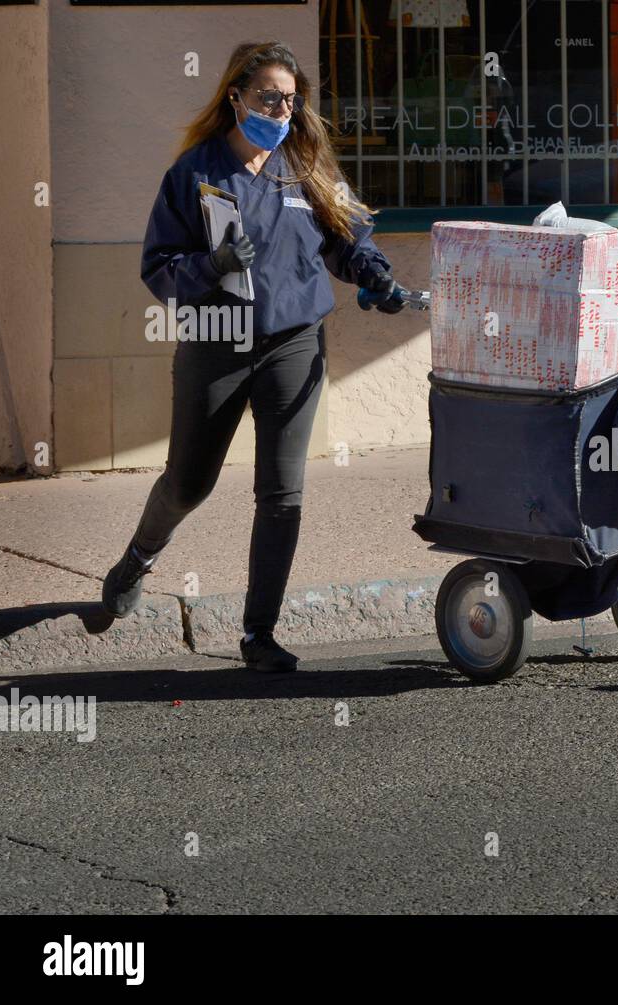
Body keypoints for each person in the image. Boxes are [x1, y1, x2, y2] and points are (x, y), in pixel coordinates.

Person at [101, 41, 410, 672]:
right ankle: (139, 555)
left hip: (293, 342)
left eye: (291, 99)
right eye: (270, 96)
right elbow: (157, 268)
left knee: (282, 492)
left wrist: (375, 276)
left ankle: (258, 635)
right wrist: (210, 266)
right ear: (236, 96)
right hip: (217, 341)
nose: (282, 109)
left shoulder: (306, 166)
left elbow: (348, 238)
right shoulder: (196, 172)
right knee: (189, 482)